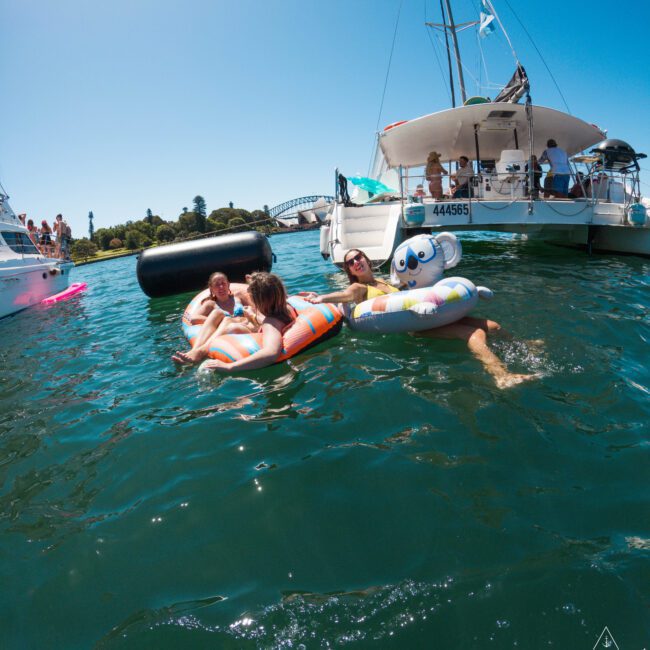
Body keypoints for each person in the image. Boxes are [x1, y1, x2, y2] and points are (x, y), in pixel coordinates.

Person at [302, 248, 537, 389]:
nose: (356, 262)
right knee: (472, 333)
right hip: (413, 327)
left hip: (427, 314)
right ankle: (501, 376)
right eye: (351, 262)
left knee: (491, 325)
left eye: (358, 257)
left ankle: (526, 346)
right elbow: (344, 295)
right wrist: (321, 298)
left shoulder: (385, 282)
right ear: (350, 270)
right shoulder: (358, 288)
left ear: (366, 259)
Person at [173, 272, 296, 371]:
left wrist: (229, 367)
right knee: (225, 319)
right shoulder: (285, 308)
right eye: (217, 285)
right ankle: (198, 350)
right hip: (244, 324)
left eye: (252, 296)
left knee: (232, 326)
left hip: (251, 329)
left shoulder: (271, 323)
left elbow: (271, 353)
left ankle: (201, 351)